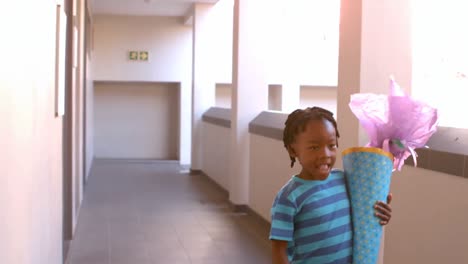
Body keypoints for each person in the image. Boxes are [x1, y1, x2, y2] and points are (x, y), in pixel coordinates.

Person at [270, 107, 392, 264]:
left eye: (331, 145)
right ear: (293, 150)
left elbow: (363, 215)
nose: (325, 154)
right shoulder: (289, 198)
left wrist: (379, 212)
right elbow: (278, 249)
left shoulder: (344, 180)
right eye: (314, 147)